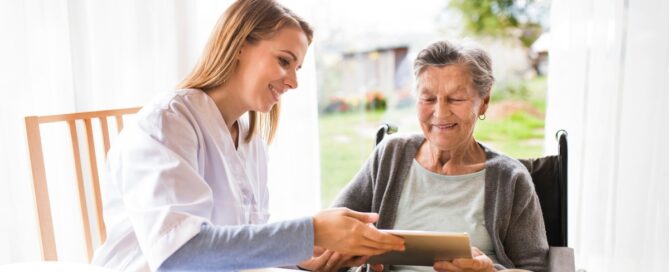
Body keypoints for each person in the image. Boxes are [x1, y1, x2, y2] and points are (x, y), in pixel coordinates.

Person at [91, 1, 404, 271]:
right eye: (284, 61)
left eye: (297, 68)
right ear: (239, 45)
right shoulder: (167, 122)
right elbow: (179, 253)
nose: (294, 82)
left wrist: (304, 254)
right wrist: (312, 231)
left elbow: (240, 239)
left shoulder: (250, 138)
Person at [331, 40, 549, 272]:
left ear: (484, 102)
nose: (440, 112)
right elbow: (330, 234)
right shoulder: (391, 154)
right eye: (428, 98)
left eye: (455, 99)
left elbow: (537, 268)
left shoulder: (511, 178)